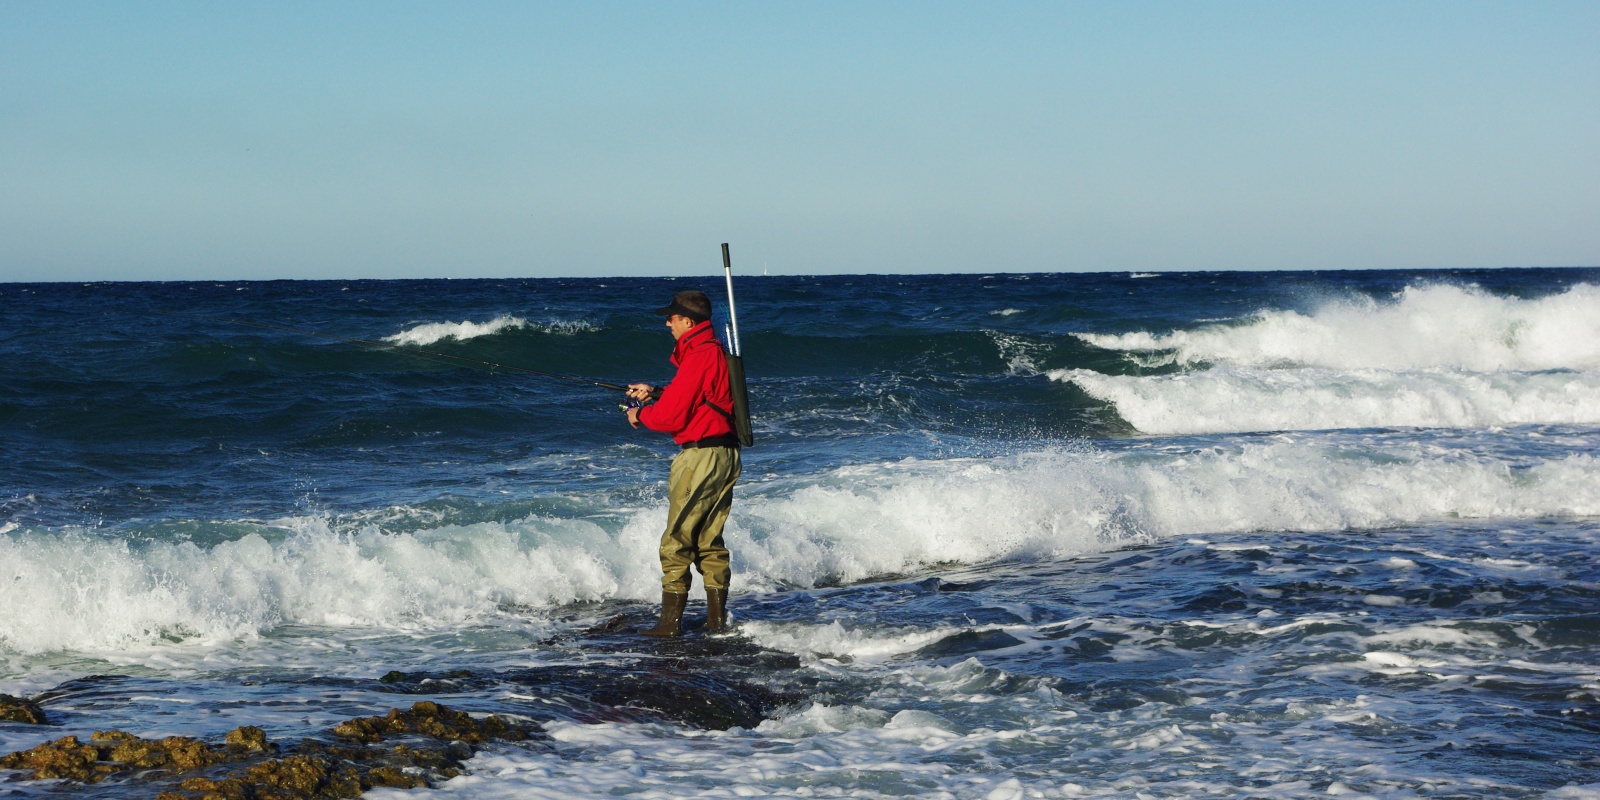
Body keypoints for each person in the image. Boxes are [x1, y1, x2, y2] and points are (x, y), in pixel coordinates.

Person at [624, 290, 742, 637]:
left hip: (700, 457)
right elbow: (700, 397)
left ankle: (668, 626)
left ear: (687, 322)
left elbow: (672, 417)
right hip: (725, 453)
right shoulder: (712, 351)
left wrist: (639, 414)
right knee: (709, 541)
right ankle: (715, 624)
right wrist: (656, 392)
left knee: (676, 541)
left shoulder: (699, 355)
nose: (667, 322)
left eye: (672, 318)